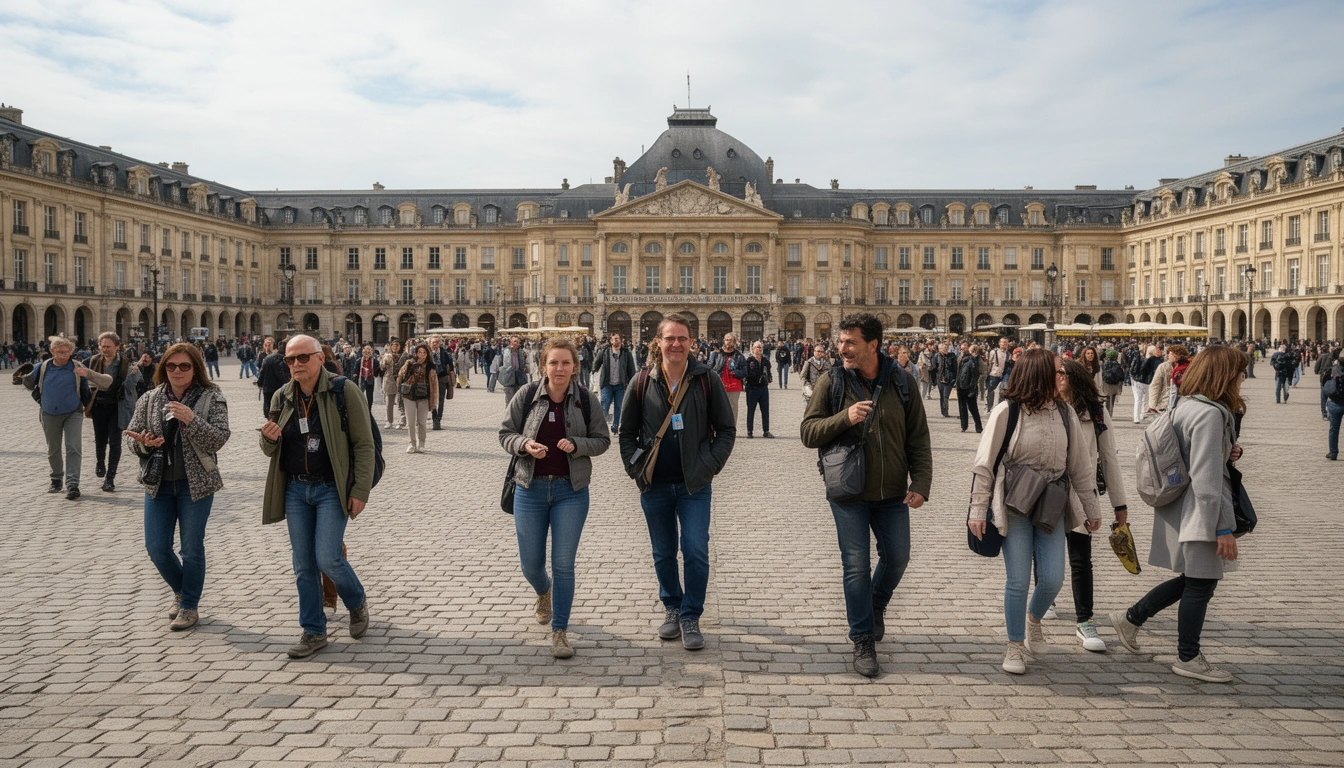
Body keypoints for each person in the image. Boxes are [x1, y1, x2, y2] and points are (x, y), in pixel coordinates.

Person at [800, 313, 932, 678]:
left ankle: (875, 603)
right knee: (856, 565)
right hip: (847, 490)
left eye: (850, 342)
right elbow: (808, 432)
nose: (841, 348)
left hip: (892, 491)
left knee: (898, 557)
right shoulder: (832, 381)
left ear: (873, 345)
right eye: (840, 341)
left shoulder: (901, 380)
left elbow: (918, 436)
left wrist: (921, 482)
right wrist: (845, 418)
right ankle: (862, 639)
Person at [1110, 346, 1247, 683]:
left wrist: (1227, 451)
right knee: (1200, 584)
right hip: (1201, 510)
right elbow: (1206, 478)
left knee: (1194, 580)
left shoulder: (1188, 405)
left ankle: (1131, 619)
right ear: (1225, 375)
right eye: (1239, 371)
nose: (1243, 377)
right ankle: (1188, 657)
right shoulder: (1211, 415)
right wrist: (1223, 528)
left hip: (1184, 505)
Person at [968, 349, 1100, 675]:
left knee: (1053, 578)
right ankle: (1014, 644)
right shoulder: (1007, 411)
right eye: (1058, 371)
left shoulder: (1066, 413)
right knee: (1018, 579)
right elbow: (984, 466)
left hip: (1051, 503)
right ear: (1039, 374)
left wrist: (1091, 507)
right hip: (1014, 503)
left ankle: (1033, 619)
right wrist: (977, 509)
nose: (1063, 377)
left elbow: (1080, 467)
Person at [619, 314, 736, 652]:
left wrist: (710, 465)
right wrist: (635, 469)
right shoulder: (642, 380)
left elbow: (726, 429)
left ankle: (690, 614)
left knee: (696, 549)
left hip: (693, 485)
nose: (676, 344)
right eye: (669, 338)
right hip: (655, 484)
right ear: (658, 342)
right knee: (663, 551)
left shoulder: (706, 379)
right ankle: (672, 605)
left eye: (682, 338)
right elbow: (626, 432)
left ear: (691, 342)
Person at [259, 334, 375, 659]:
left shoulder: (343, 391)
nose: (296, 364)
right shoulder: (282, 396)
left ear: (320, 358)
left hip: (330, 488)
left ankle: (356, 600)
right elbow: (270, 448)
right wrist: (268, 439)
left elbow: (364, 444)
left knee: (327, 557)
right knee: (303, 564)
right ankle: (313, 630)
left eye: (302, 357)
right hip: (296, 489)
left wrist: (360, 490)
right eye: (290, 359)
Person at [499, 338, 611, 658]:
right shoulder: (527, 395)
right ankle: (542, 590)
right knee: (531, 565)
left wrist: (577, 444)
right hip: (529, 489)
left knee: (563, 564)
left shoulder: (586, 400)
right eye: (553, 363)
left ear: (575, 367)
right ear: (543, 366)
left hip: (570, 491)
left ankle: (559, 630)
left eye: (565, 363)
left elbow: (602, 440)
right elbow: (505, 434)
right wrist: (524, 444)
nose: (559, 368)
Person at [123, 343, 231, 631]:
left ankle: (189, 606)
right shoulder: (149, 398)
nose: (177, 371)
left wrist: (191, 419)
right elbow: (132, 437)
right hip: (157, 483)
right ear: (163, 369)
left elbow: (219, 438)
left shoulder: (211, 397)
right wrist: (143, 444)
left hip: (195, 484)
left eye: (184, 366)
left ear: (195, 369)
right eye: (171, 366)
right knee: (157, 547)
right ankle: (182, 590)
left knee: (191, 549)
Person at [1056, 359, 1128, 652]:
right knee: (1045, 554)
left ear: (1074, 377)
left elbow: (1109, 458)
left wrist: (1119, 505)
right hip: (1046, 492)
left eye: (1061, 373)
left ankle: (1084, 620)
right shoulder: (1043, 406)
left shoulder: (1096, 412)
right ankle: (1046, 597)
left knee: (1080, 559)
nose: (1056, 377)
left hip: (1081, 493)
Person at [22, 336, 94, 500]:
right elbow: (30, 384)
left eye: (66, 352)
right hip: (49, 413)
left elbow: (85, 388)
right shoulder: (42, 367)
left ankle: (73, 483)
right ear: (52, 351)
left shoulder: (77, 366)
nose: (63, 355)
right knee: (53, 449)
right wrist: (23, 378)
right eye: (59, 352)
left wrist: (86, 406)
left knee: (73, 447)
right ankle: (56, 479)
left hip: (73, 412)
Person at [87, 332, 142, 492]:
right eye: (102, 346)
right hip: (99, 405)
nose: (105, 349)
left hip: (117, 406)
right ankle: (100, 462)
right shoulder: (94, 360)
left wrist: (133, 375)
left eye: (108, 346)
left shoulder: (125, 363)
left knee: (115, 443)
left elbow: (130, 386)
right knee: (100, 440)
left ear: (117, 347)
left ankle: (110, 478)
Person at [398, 343, 440, 454]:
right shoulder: (409, 363)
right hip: (409, 394)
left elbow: (434, 384)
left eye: (424, 353)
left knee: (422, 422)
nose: (422, 355)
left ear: (427, 354)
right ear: (416, 353)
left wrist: (433, 400)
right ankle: (412, 443)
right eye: (420, 352)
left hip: (423, 396)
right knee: (410, 422)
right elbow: (400, 376)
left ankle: (421, 443)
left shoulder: (430, 366)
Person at [593, 333, 637, 429]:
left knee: (618, 406)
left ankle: (615, 426)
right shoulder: (605, 351)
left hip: (620, 385)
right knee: (604, 405)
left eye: (618, 339)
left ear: (621, 340)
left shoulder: (626, 353)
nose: (616, 341)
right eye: (614, 339)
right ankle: (602, 426)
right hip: (607, 384)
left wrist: (632, 383)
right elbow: (597, 363)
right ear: (611, 341)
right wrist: (594, 370)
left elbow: (631, 369)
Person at [708, 333, 746, 424]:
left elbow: (745, 371)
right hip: (719, 385)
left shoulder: (739, 356)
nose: (729, 342)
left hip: (734, 386)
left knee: (733, 409)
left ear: (734, 342)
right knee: (718, 408)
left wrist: (735, 372)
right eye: (727, 340)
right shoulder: (716, 354)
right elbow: (709, 368)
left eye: (731, 340)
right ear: (723, 341)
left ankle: (732, 428)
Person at [743, 340, 774, 438]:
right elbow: (746, 374)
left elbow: (769, 372)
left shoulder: (765, 361)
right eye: (757, 347)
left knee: (765, 410)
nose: (759, 349)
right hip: (752, 388)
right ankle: (750, 431)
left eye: (760, 347)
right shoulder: (749, 361)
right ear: (753, 349)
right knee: (751, 410)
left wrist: (769, 378)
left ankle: (766, 431)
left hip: (763, 388)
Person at [257, 337, 291, 419]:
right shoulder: (283, 359)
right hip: (280, 389)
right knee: (280, 410)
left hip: (268, 388)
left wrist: (260, 383)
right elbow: (285, 377)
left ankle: (269, 420)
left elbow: (262, 373)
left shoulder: (268, 358)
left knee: (269, 409)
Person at [495, 335, 533, 404]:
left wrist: (526, 369)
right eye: (515, 341)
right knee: (510, 402)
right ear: (510, 342)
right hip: (509, 378)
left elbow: (525, 363)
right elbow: (499, 364)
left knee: (520, 401)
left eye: (518, 342)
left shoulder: (521, 352)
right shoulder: (504, 351)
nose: (517, 343)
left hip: (519, 378)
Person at [956, 343, 984, 433]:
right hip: (962, 386)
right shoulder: (963, 359)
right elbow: (959, 373)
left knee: (971, 408)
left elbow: (974, 375)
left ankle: (976, 426)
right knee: (965, 407)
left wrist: (972, 388)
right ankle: (965, 426)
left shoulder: (973, 360)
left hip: (967, 387)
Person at [428, 338, 454, 430]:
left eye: (437, 342)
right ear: (430, 343)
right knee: (432, 399)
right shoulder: (427, 353)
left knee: (441, 399)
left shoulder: (444, 353)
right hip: (431, 379)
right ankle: (434, 417)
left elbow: (450, 365)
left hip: (442, 378)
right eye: (433, 342)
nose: (435, 344)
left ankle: (438, 419)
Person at [1131, 345, 1161, 423]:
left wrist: (1134, 377)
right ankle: (1142, 415)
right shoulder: (1154, 360)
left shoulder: (1138, 358)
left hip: (1138, 381)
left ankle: (1137, 417)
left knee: (1138, 400)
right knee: (1145, 399)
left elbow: (1133, 370)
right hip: (1147, 381)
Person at [381, 339, 405, 429]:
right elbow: (381, 369)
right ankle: (389, 421)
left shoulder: (403, 356)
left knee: (401, 402)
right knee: (389, 403)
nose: (395, 347)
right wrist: (384, 361)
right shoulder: (386, 355)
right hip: (389, 380)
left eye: (397, 345)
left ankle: (402, 421)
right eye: (393, 345)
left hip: (401, 381)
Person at [1326, 353, 1344, 460]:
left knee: (1334, 429)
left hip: (1335, 402)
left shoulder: (1334, 369)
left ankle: (1333, 452)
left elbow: (1325, 382)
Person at [801, 343, 831, 407]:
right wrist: (807, 387)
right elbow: (803, 376)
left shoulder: (826, 363)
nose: (820, 353)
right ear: (814, 352)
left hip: (823, 392)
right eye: (818, 351)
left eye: (822, 351)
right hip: (811, 392)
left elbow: (830, 375)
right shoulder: (809, 363)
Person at [354, 344, 381, 412]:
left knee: (370, 397)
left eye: (369, 353)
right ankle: (360, 410)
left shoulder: (374, 361)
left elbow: (377, 372)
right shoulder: (359, 361)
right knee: (360, 395)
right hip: (361, 379)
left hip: (370, 380)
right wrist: (355, 379)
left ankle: (369, 410)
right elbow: (355, 371)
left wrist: (375, 372)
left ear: (371, 353)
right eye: (365, 352)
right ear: (363, 353)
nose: (367, 354)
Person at [986, 337, 1010, 410]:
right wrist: (988, 372)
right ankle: (988, 407)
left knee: (1003, 390)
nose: (1004, 344)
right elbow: (989, 363)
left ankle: (999, 407)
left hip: (1004, 374)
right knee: (990, 390)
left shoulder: (1008, 353)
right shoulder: (994, 352)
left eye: (1006, 342)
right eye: (1003, 342)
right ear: (999, 343)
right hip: (994, 373)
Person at [936, 342, 957, 418]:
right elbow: (934, 366)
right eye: (943, 348)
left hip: (949, 379)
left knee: (945, 396)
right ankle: (943, 411)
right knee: (942, 396)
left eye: (946, 348)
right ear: (939, 349)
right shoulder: (937, 356)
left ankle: (946, 412)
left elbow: (955, 367)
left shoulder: (952, 356)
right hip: (940, 378)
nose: (945, 350)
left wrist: (954, 378)